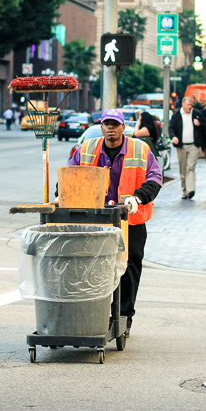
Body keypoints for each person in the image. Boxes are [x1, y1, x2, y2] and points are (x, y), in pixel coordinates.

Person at [66, 109, 162, 337]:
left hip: (130, 220)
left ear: (122, 127)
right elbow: (69, 175)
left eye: (115, 124)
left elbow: (155, 177)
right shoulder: (88, 148)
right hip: (95, 219)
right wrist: (64, 194)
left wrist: (139, 197)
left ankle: (123, 316)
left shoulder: (140, 149)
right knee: (91, 267)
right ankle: (92, 315)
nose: (111, 128)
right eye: (106, 124)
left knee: (129, 267)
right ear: (101, 127)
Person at [168, 97, 206, 200]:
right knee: (183, 169)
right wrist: (173, 137)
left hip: (194, 145)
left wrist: (199, 124)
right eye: (188, 105)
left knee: (191, 167)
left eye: (191, 105)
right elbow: (171, 127)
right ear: (183, 105)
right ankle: (184, 190)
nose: (190, 107)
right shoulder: (176, 115)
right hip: (181, 146)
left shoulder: (196, 114)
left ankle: (191, 190)